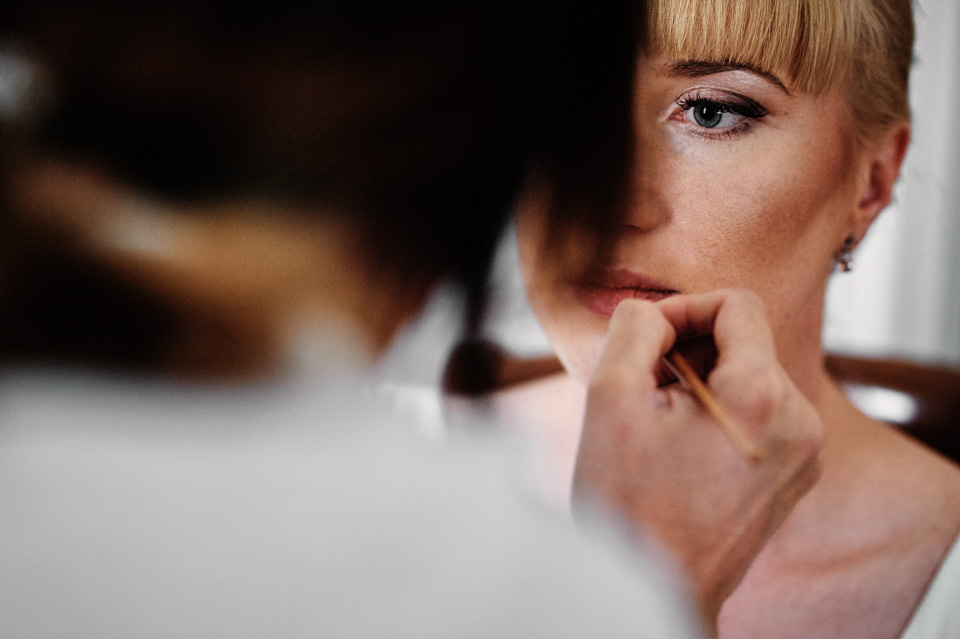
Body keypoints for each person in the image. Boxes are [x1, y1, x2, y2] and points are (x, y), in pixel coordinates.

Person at [0, 1, 823, 637]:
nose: (617, 204)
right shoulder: (512, 587)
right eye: (584, 133)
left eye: (711, 111)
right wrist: (646, 583)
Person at [511, 0, 960, 637]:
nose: (604, 204)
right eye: (557, 107)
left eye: (710, 112)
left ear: (871, 181)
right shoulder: (386, 459)